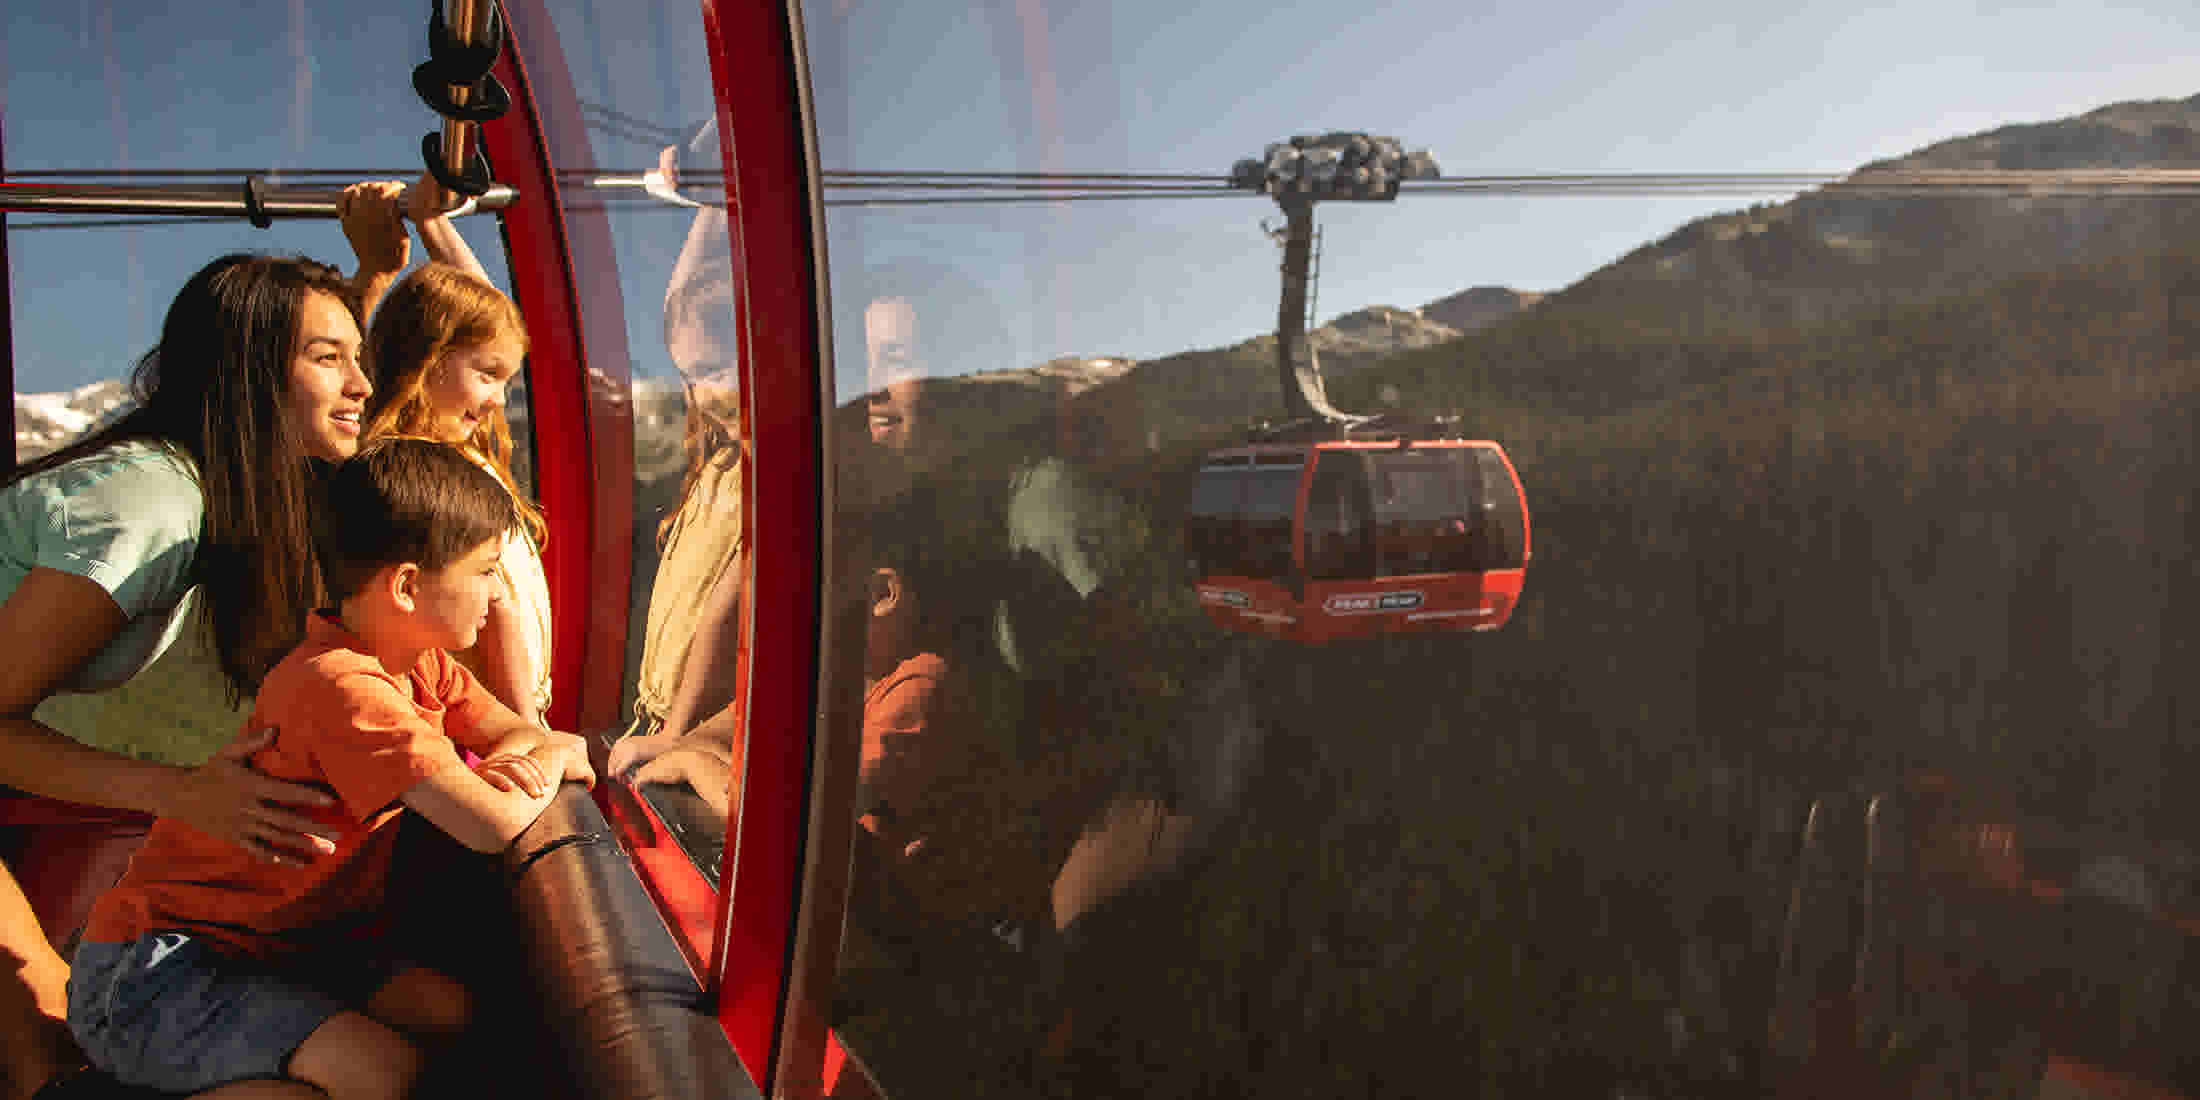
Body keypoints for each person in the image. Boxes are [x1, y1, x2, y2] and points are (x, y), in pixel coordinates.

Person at [0, 224, 412, 1100]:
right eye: (331, 358)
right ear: (250, 374)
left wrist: (370, 276)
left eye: (358, 356)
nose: (362, 385)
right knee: (48, 1067)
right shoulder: (145, 503)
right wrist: (180, 792)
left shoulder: (247, 493)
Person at [64, 438, 594, 1099]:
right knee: (382, 1076)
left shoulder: (418, 666)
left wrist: (531, 753)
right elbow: (490, 823)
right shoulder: (343, 690)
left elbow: (514, 732)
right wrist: (550, 756)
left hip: (285, 950)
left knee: (450, 1014)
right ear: (406, 586)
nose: (500, 594)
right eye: (486, 570)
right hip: (161, 969)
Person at [357, 176, 551, 725]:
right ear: (428, 354)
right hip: (478, 723)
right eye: (489, 376)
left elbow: (486, 321)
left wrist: (431, 223)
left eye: (507, 382)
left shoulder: (452, 453)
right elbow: (497, 607)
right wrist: (526, 727)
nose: (496, 400)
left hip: (491, 716)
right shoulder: (416, 472)